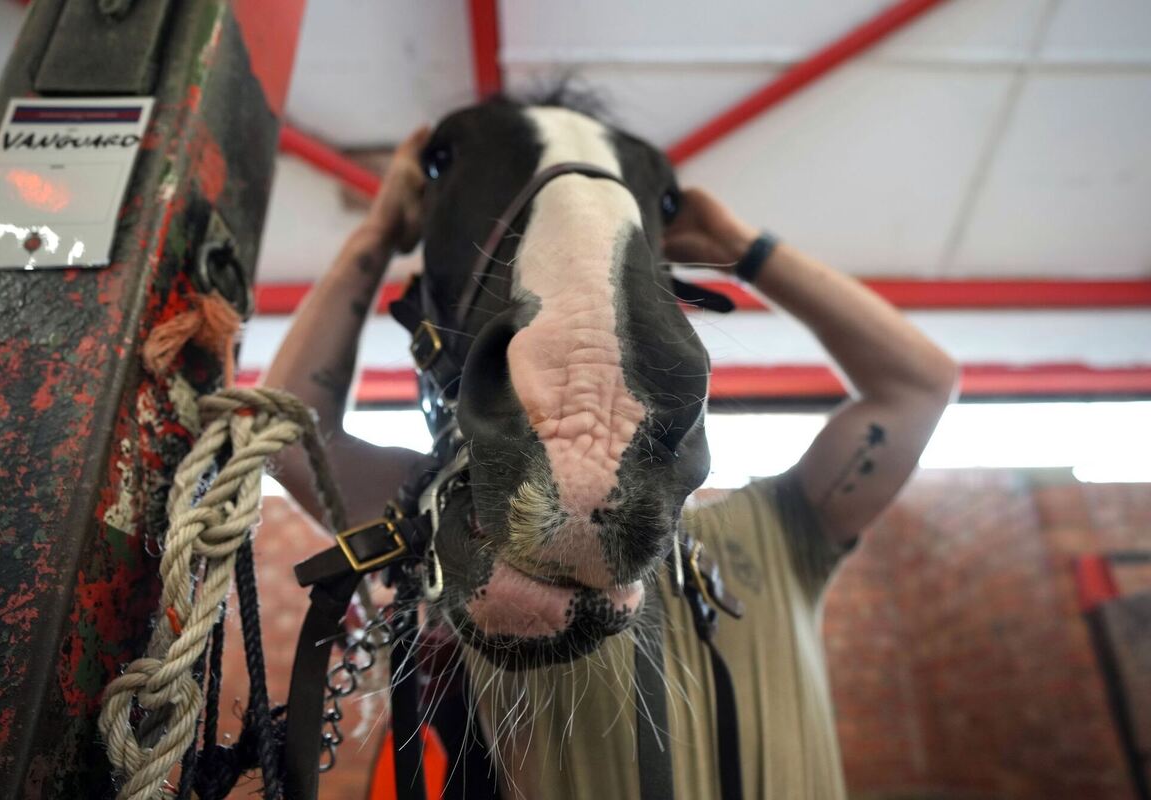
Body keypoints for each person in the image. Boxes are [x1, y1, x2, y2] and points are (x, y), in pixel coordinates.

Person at [266, 128, 958, 799]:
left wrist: (743, 249)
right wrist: (378, 230)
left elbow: (920, 384)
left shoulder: (783, 529)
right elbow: (293, 431)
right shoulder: (474, 523)